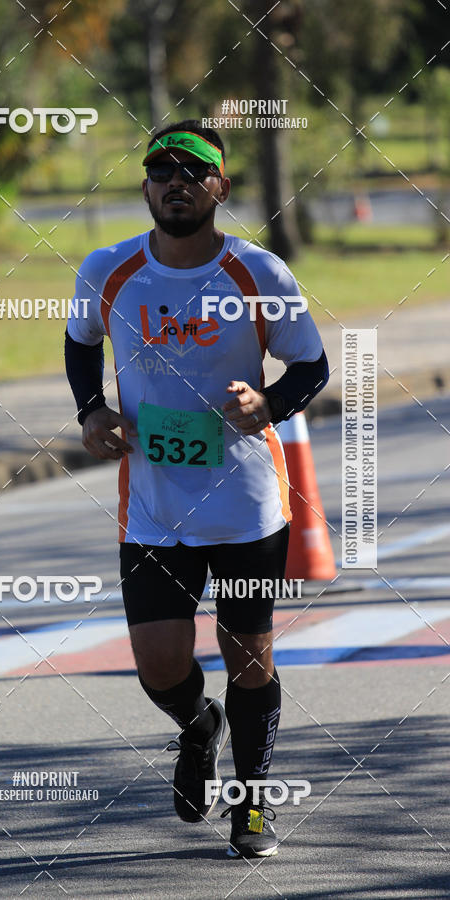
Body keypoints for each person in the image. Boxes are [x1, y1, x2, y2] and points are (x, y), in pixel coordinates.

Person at [65, 119, 329, 858]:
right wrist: (91, 411)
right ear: (146, 185)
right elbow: (81, 342)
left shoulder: (259, 274)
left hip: (245, 503)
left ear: (221, 186)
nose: (175, 181)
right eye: (161, 170)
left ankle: (251, 806)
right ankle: (196, 725)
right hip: (153, 506)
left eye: (193, 170)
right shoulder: (108, 270)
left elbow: (310, 367)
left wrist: (267, 406)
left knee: (250, 653)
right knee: (158, 663)